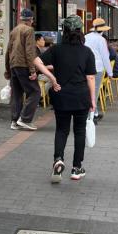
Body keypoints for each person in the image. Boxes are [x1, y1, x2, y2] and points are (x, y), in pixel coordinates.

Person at [34, 15, 96, 183]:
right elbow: (90, 78)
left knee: (61, 130)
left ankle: (58, 159)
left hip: (61, 95)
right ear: (80, 31)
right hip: (81, 96)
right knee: (79, 131)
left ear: (65, 31)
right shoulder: (87, 51)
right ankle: (76, 168)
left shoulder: (56, 49)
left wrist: (52, 79)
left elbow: (37, 61)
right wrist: (93, 101)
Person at [4, 8, 41, 131]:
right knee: (35, 91)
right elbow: (29, 51)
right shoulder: (29, 30)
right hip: (23, 66)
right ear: (30, 20)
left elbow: (8, 51)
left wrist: (7, 70)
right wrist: (32, 70)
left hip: (13, 65)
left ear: (21, 19)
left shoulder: (14, 30)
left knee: (16, 94)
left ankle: (14, 121)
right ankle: (24, 119)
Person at [84, 18, 113, 122]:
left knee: (87, 91)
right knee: (94, 92)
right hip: (97, 69)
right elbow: (105, 57)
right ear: (103, 30)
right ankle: (90, 116)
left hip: (84, 68)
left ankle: (94, 113)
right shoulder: (101, 40)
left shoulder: (85, 37)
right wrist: (110, 73)